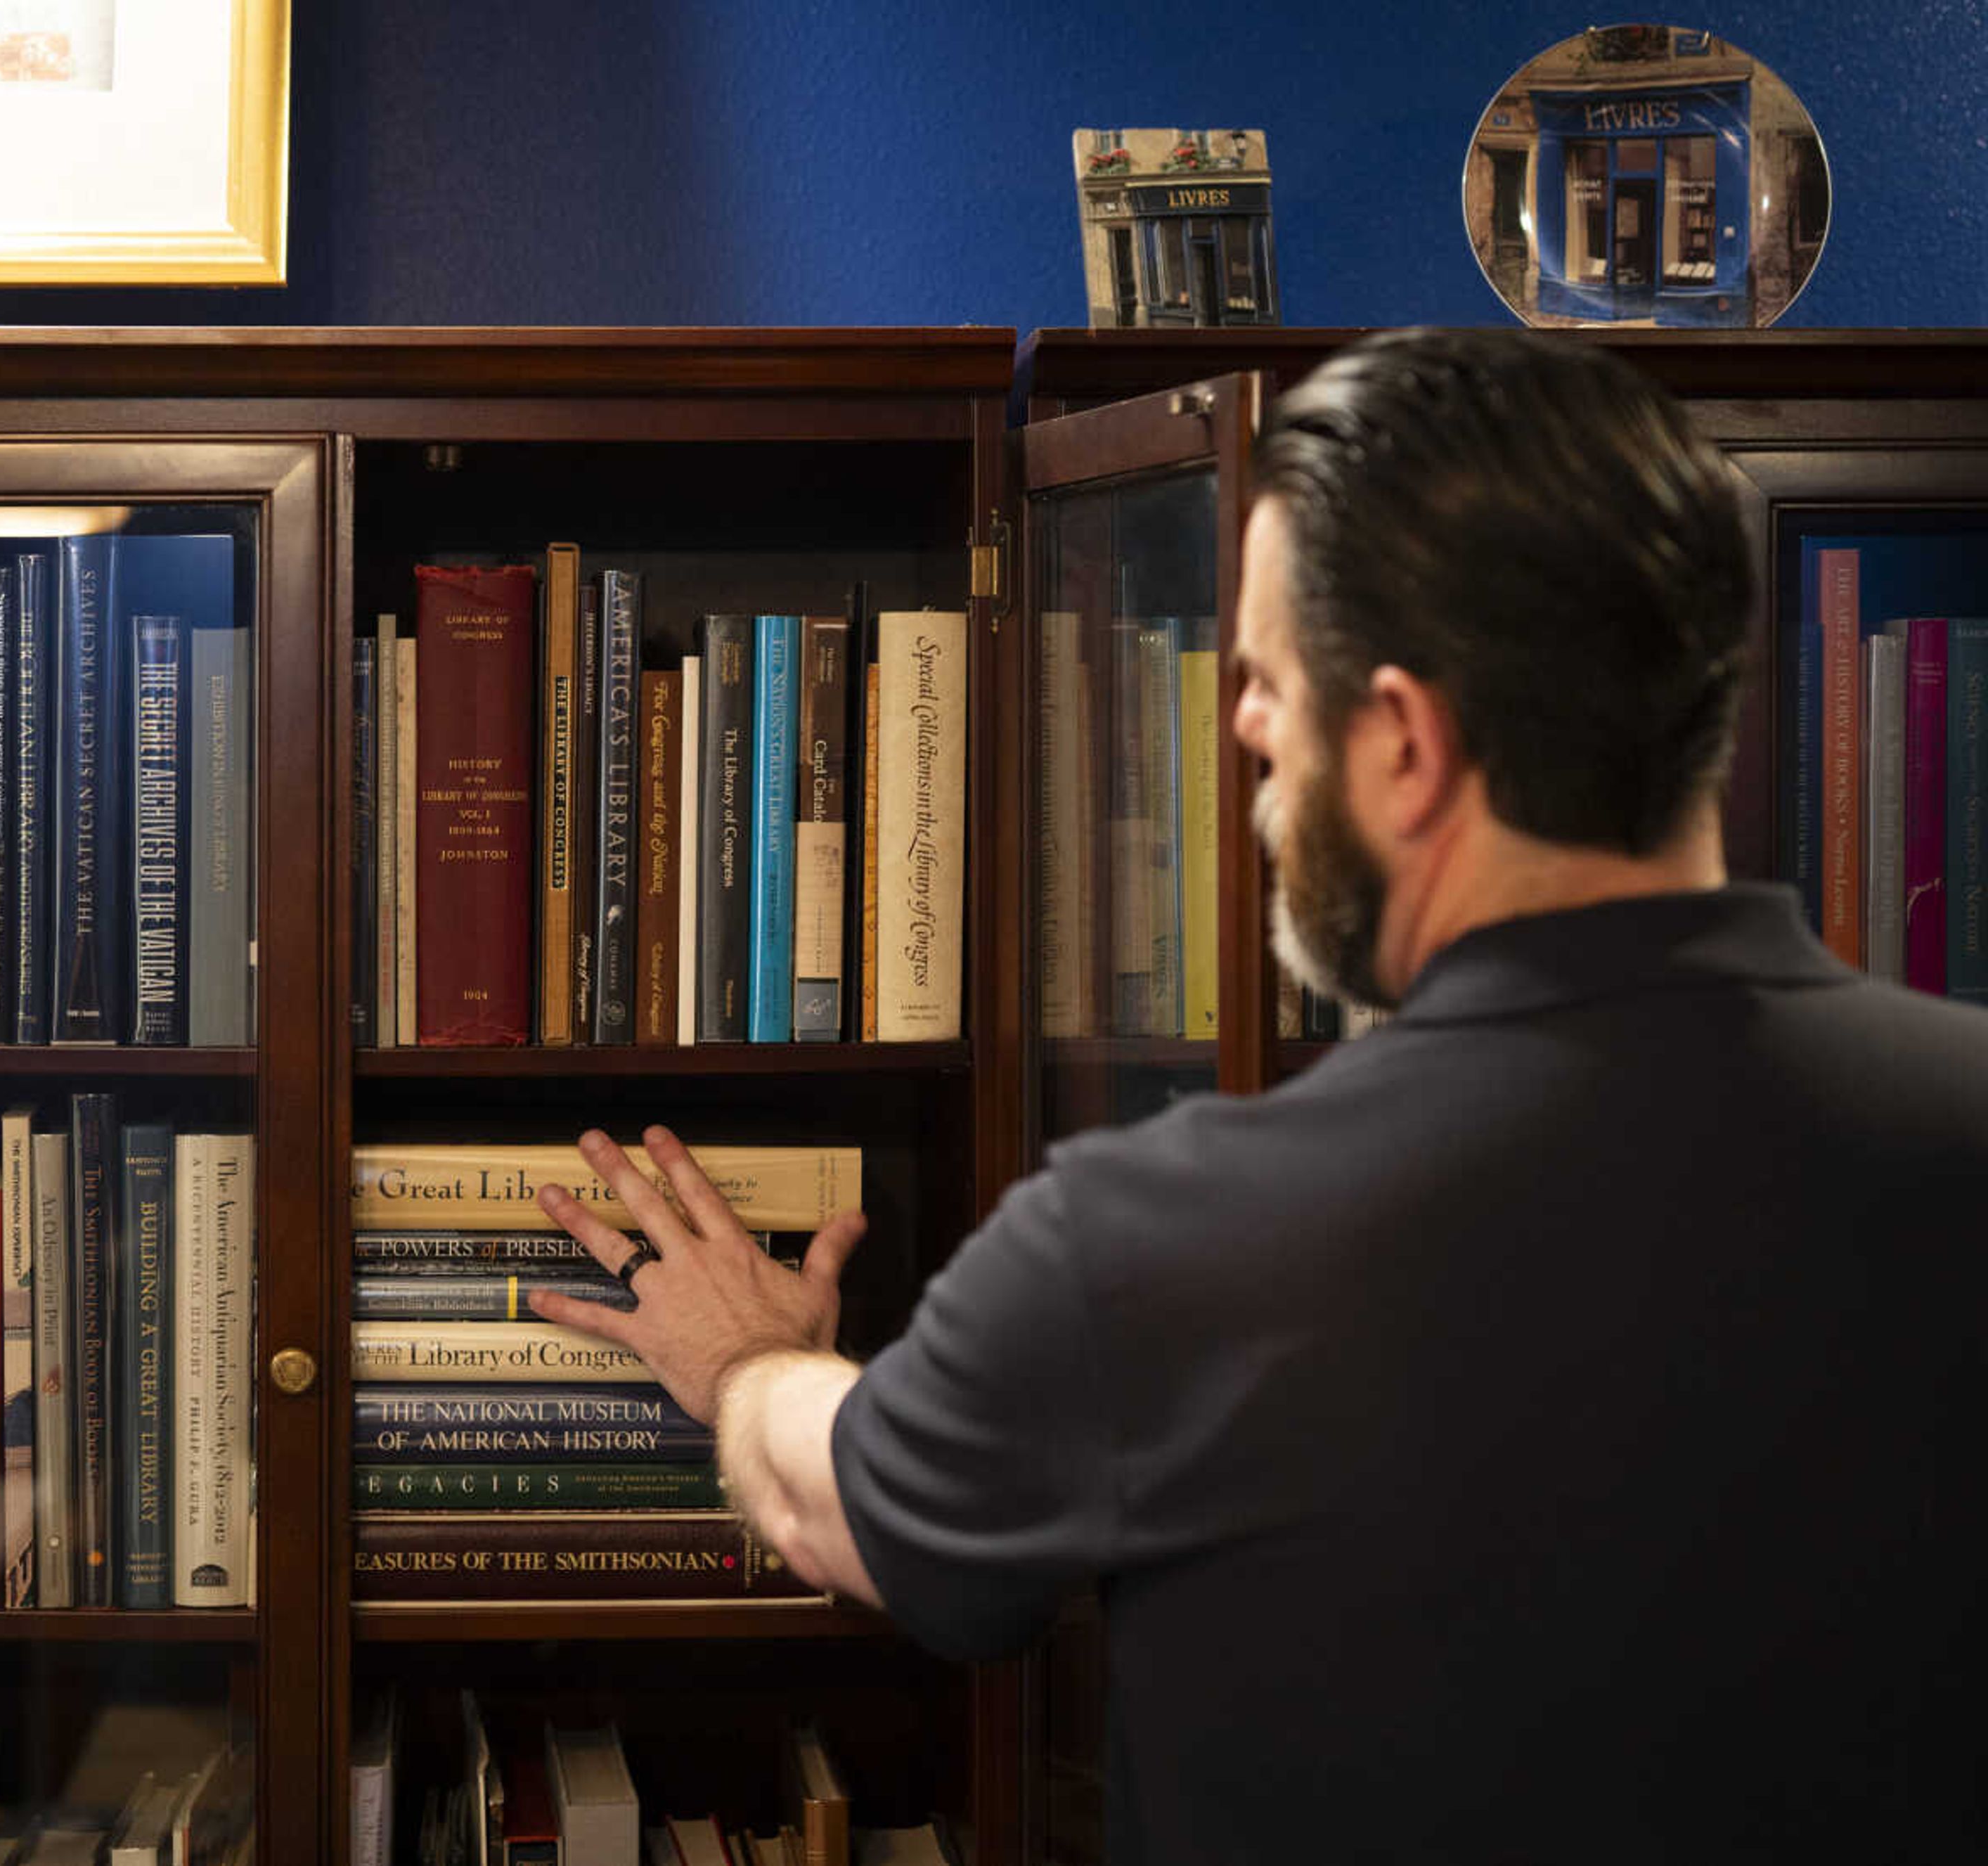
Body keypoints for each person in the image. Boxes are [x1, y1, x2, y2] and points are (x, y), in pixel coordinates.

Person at [529, 327, 1988, 1862]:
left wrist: (748, 1361)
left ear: (1407, 745)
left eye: (1271, 687)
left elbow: (838, 1510)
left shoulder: (1156, 1237)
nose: (1238, 730)